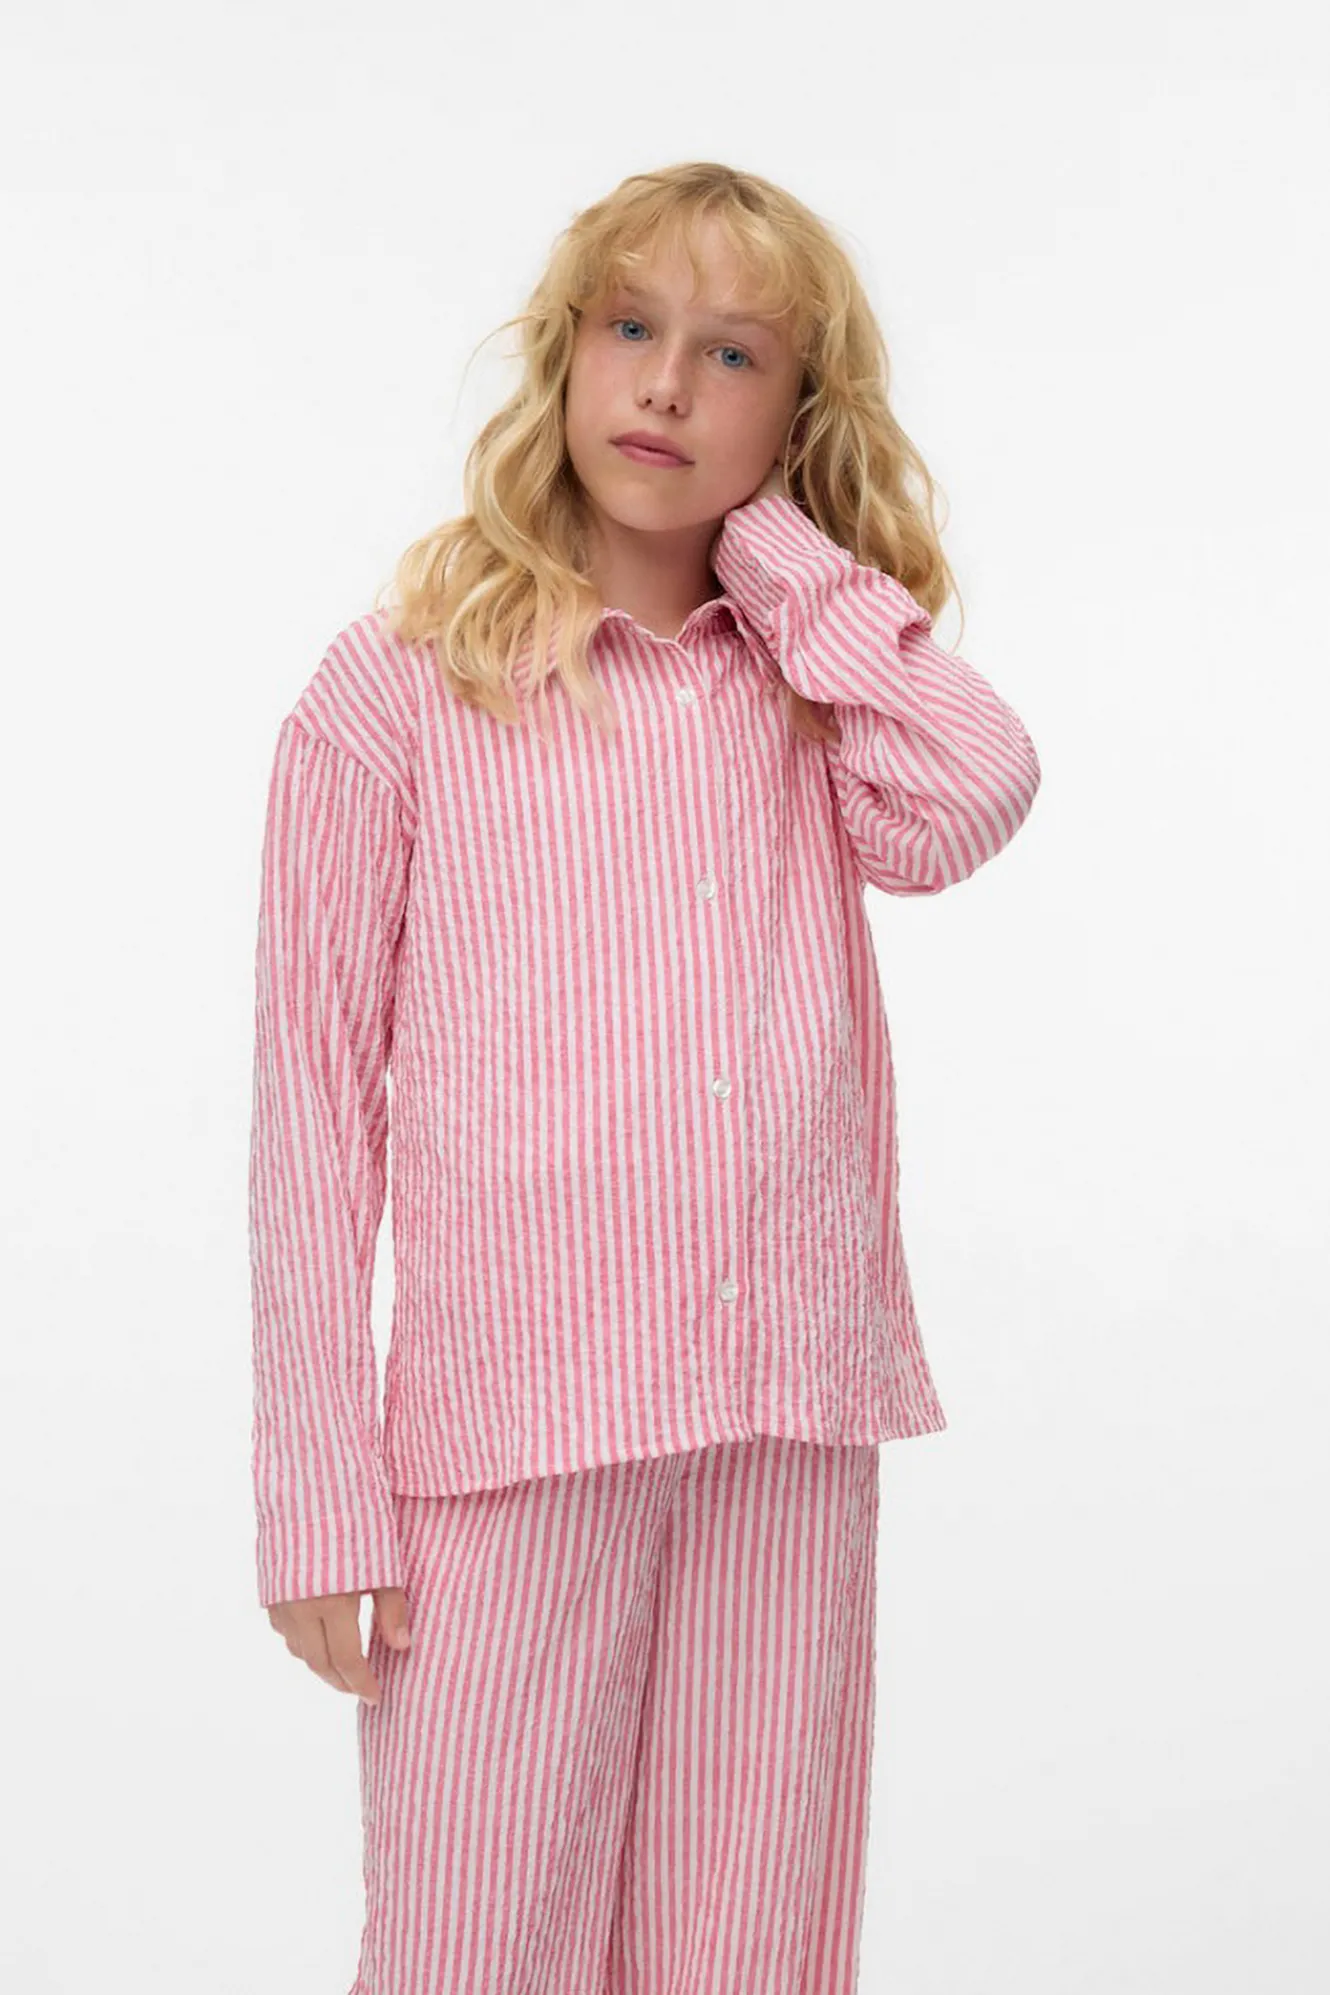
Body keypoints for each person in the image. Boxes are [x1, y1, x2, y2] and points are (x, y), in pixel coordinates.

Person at [248, 160, 1042, 1995]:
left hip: (783, 1411)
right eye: (629, 328)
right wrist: (317, 1493)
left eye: (733, 353)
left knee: (750, 1946)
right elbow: (309, 1115)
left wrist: (781, 560)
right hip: (509, 1434)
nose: (666, 385)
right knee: (474, 1943)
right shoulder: (398, 691)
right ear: (565, 353)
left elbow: (976, 785)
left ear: (799, 410)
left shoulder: (807, 694)